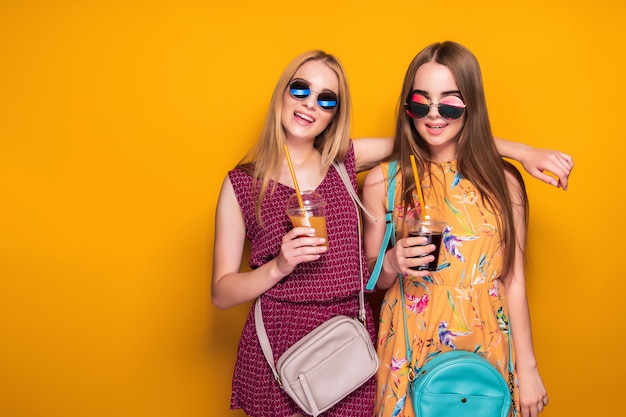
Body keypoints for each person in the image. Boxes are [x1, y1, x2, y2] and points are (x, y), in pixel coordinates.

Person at [212, 49, 571, 417]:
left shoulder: (341, 164)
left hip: (352, 340)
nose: (310, 105)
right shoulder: (243, 184)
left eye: (327, 99)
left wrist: (523, 153)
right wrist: (279, 266)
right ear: (282, 93)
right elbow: (221, 293)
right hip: (287, 338)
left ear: (336, 112)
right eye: (300, 90)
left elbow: (438, 138)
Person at [362, 41, 551, 417]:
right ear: (407, 107)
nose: (434, 115)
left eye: (449, 102)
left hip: (488, 342)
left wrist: (527, 369)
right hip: (409, 343)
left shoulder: (504, 181)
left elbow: (513, 280)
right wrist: (392, 262)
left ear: (471, 105)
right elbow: (371, 280)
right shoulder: (384, 179)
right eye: (421, 102)